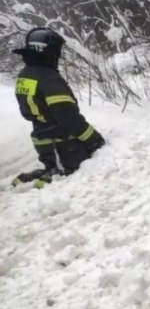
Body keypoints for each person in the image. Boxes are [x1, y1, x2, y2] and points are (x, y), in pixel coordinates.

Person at [11, 27, 105, 188]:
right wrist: (96, 141)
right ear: (49, 51)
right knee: (73, 175)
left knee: (55, 168)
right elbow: (70, 119)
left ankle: (46, 172)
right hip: (66, 145)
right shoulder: (49, 79)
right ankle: (51, 176)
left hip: (43, 144)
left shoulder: (24, 75)